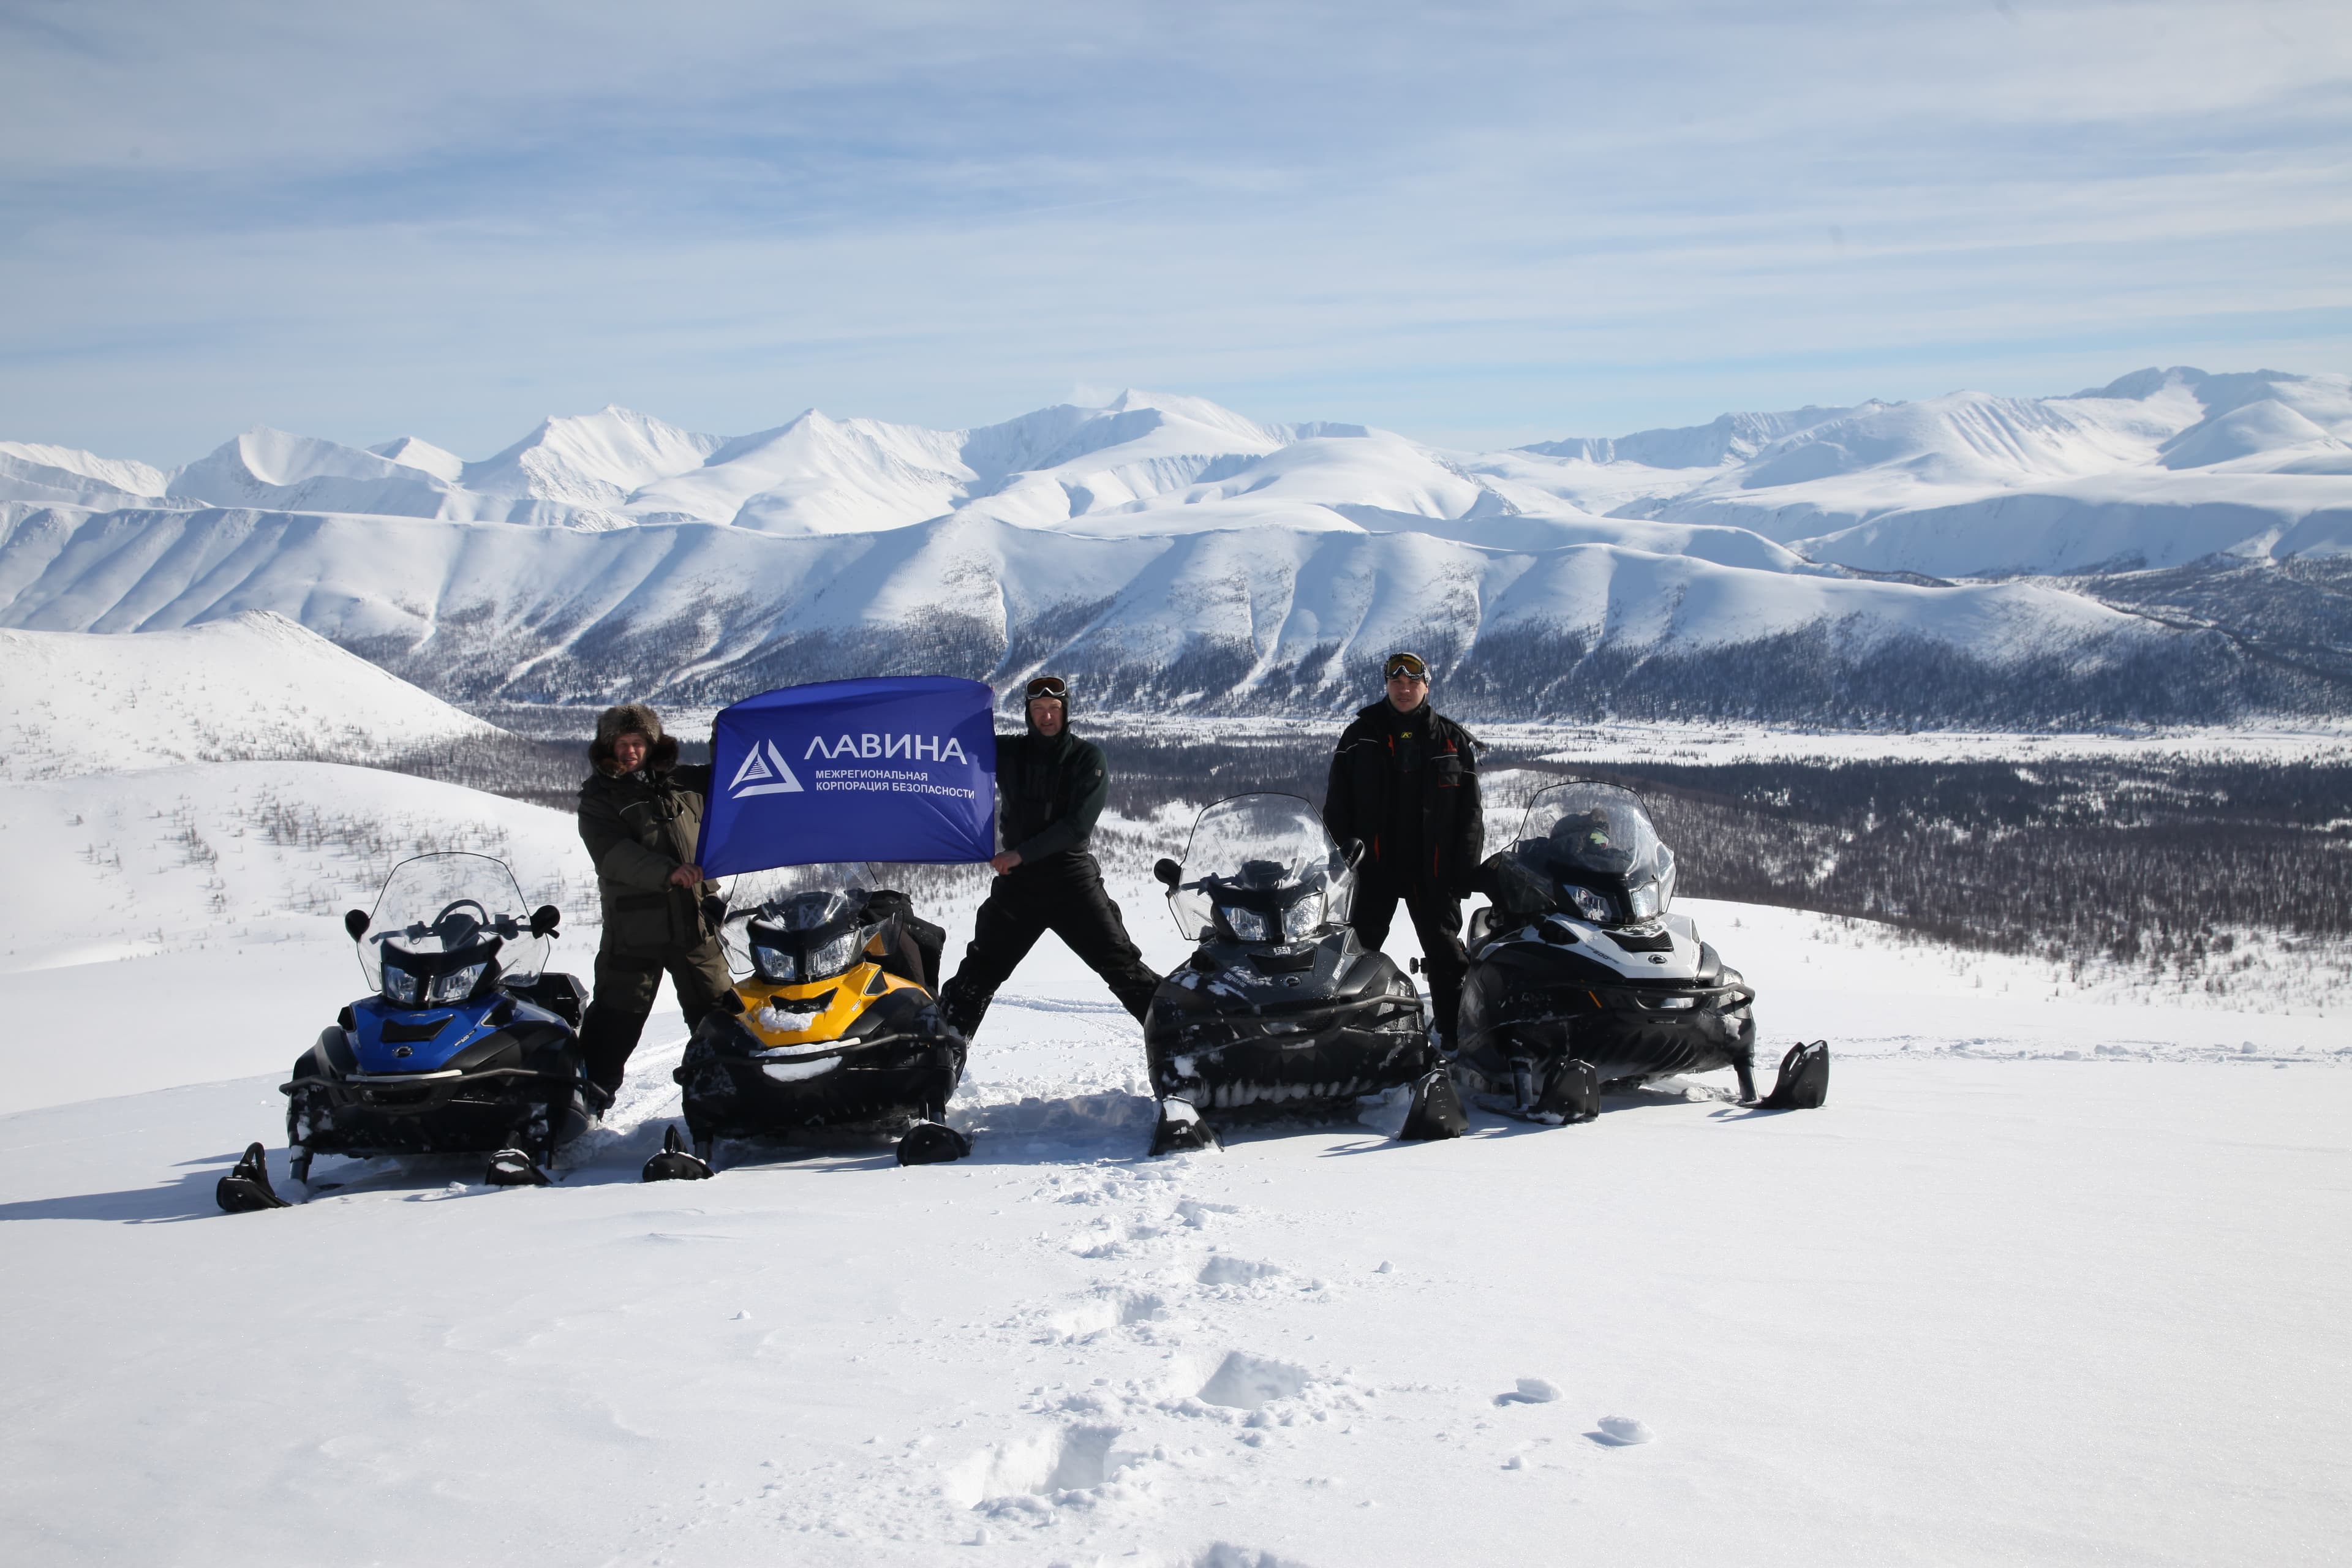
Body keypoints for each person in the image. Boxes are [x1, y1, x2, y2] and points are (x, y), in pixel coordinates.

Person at [938, 676, 1160, 1038]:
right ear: (1028, 714)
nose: (1046, 717)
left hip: (1072, 883)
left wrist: (1020, 855)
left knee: (1123, 968)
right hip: (1020, 889)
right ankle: (936, 1058)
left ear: (1065, 712)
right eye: (1038, 710)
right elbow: (949, 742)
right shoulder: (1010, 752)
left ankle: (1185, 1050)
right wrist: (966, 700)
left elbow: (1077, 827)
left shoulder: (1087, 758)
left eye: (1054, 710)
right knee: (977, 976)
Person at [1321, 650, 1483, 1047]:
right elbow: (1336, 807)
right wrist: (1344, 862)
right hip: (1373, 870)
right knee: (1354, 956)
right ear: (1387, 686)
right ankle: (1343, 1038)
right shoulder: (1360, 736)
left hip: (1434, 872)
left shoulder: (1452, 740)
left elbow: (1470, 816)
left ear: (1426, 686)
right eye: (1397, 682)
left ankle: (1453, 1036)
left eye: (1413, 682)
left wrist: (1463, 872)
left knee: (1447, 958)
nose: (1405, 689)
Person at [575, 703, 734, 1104]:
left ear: (652, 744)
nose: (630, 752)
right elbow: (612, 854)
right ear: (609, 747)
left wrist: (726, 737)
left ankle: (729, 1095)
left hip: (696, 927)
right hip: (635, 934)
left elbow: (734, 778)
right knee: (615, 1024)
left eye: (638, 742)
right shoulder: (600, 798)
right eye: (622, 743)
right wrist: (668, 872)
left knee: (720, 1018)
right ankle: (585, 1103)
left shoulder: (683, 783)